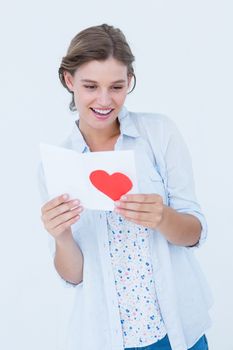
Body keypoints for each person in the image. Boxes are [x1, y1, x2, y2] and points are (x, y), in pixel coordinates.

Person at [38, 24, 213, 350]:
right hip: (106, 338)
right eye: (90, 86)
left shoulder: (159, 134)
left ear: (130, 81)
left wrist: (162, 217)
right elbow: (74, 276)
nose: (104, 100)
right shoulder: (58, 164)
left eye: (116, 86)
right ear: (69, 80)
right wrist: (60, 236)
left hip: (178, 333)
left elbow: (195, 232)